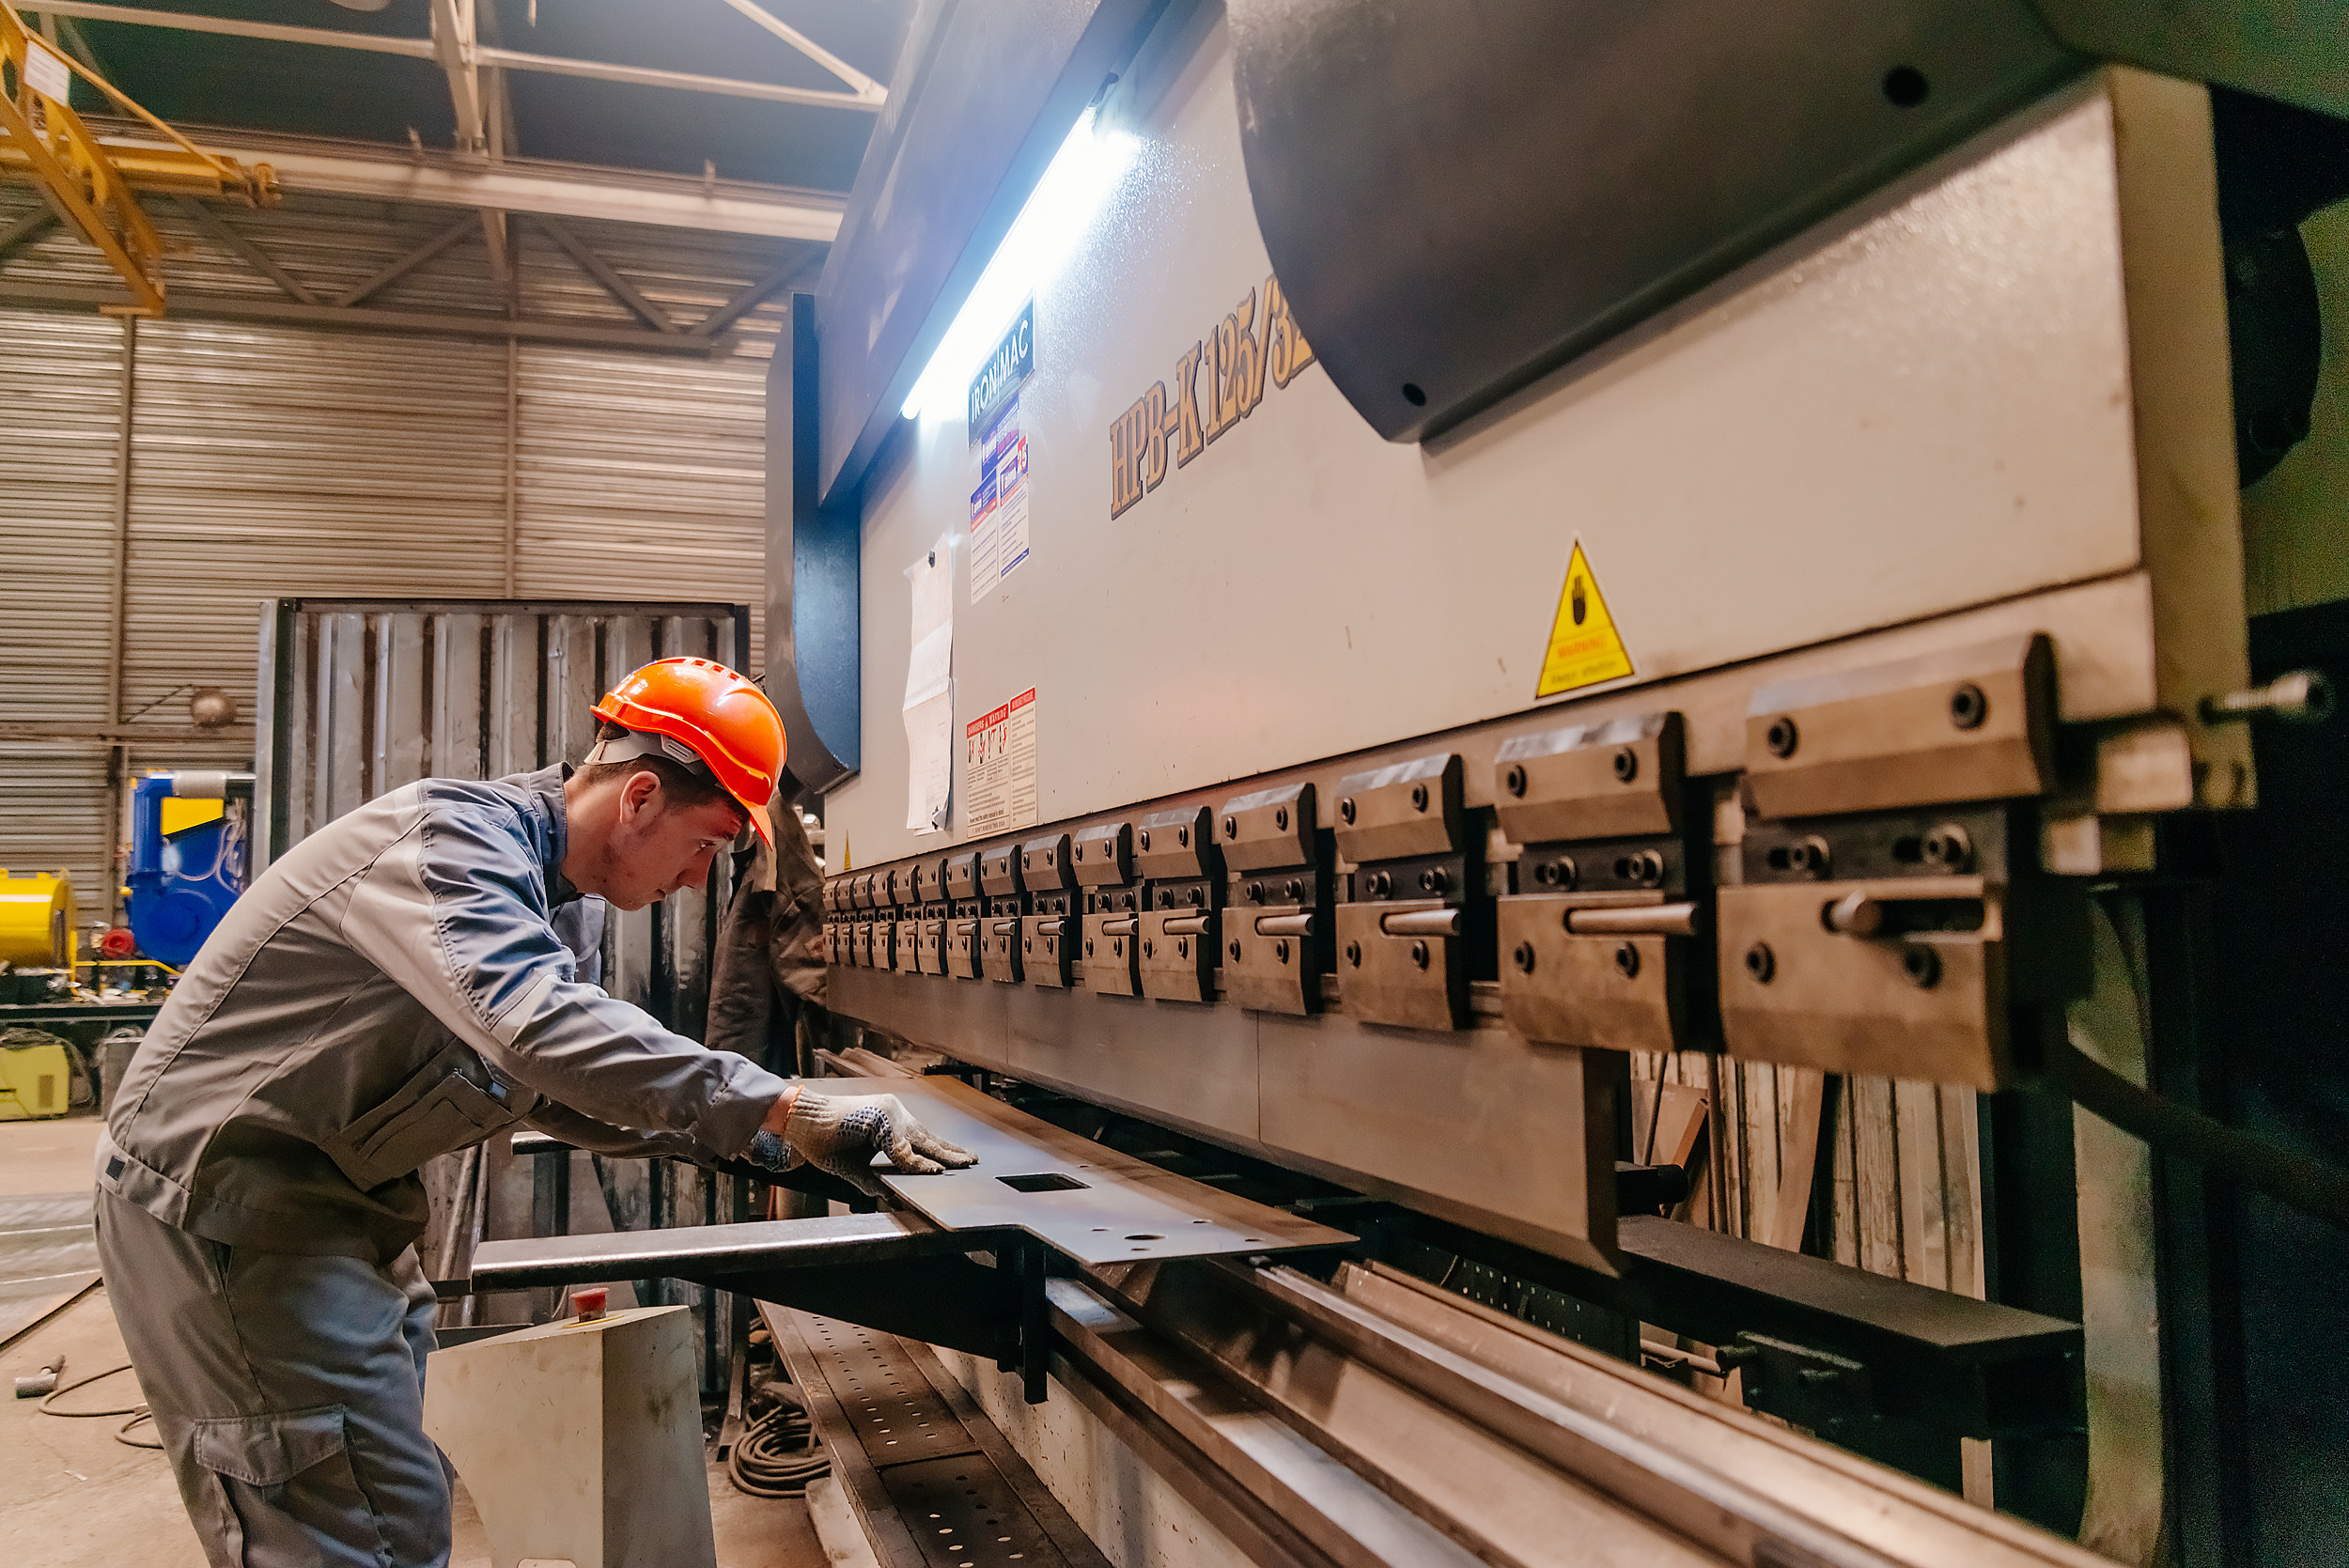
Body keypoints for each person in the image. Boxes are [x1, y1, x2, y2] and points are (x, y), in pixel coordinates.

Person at [94, 657, 973, 1568]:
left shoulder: (555, 903)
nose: (695, 879)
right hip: (224, 1216)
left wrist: (779, 1145)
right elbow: (540, 1032)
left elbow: (565, 1088)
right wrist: (787, 1103)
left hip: (334, 1209)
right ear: (639, 797)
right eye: (705, 845)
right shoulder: (449, 844)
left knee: (393, 1497)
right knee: (332, 1520)